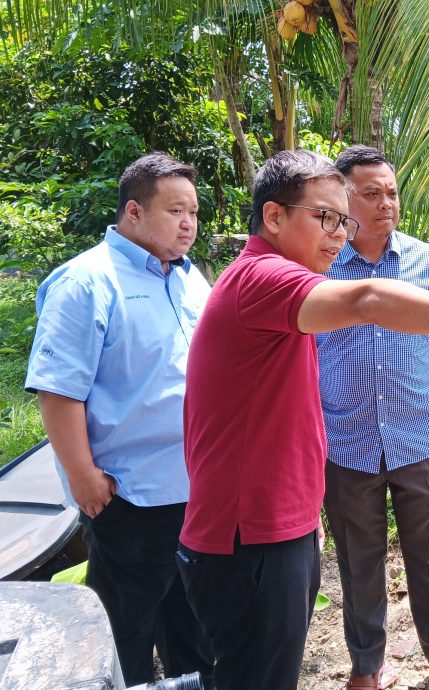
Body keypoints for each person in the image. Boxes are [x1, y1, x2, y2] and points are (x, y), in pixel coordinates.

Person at [176, 150, 429, 690]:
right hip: (255, 534)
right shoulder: (264, 278)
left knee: (427, 560)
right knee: (284, 645)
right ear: (273, 216)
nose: (336, 235)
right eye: (324, 218)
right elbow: (367, 298)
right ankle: (367, 668)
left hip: (315, 499)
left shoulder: (294, 276)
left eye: (342, 221)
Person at [24, 152, 214, 687]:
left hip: (194, 490)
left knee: (192, 623)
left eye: (194, 213)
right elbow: (59, 390)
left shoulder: (189, 280)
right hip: (129, 495)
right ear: (134, 211)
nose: (188, 224)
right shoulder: (85, 282)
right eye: (176, 211)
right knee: (125, 629)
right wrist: (83, 477)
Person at [318, 145, 429, 690]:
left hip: (420, 434)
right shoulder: (322, 266)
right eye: (371, 193)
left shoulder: (426, 261)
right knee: (358, 563)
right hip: (344, 441)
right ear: (342, 200)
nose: (386, 203)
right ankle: (367, 667)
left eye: (391, 192)